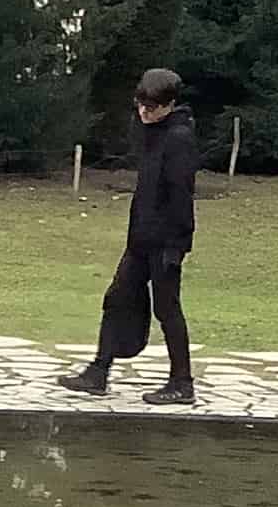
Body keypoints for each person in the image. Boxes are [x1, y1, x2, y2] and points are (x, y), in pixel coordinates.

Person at [59, 68, 200, 406]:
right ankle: (98, 370)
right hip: (140, 239)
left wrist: (179, 245)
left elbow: (181, 195)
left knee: (167, 310)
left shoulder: (178, 138)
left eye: (152, 108)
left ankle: (182, 382)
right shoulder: (151, 132)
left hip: (165, 242)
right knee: (116, 299)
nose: (144, 113)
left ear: (169, 104)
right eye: (141, 105)